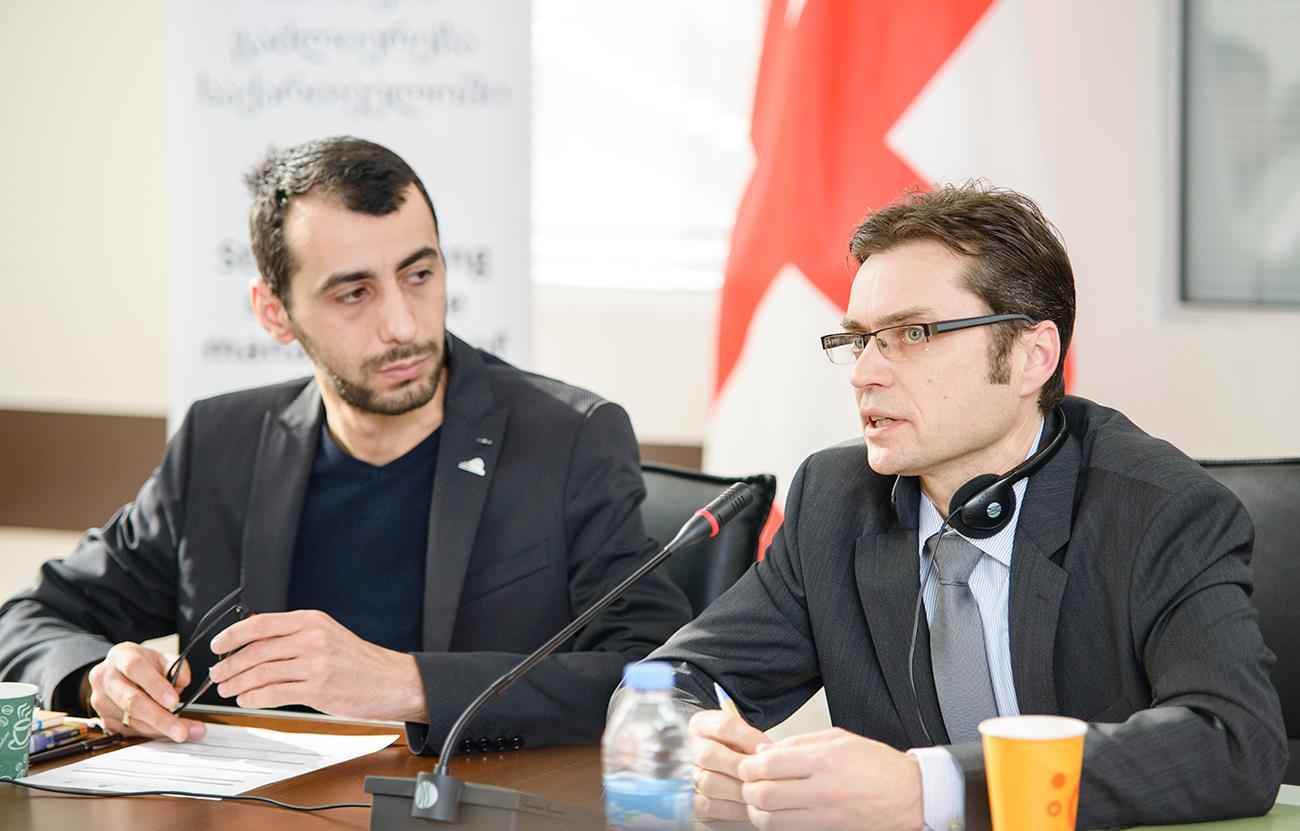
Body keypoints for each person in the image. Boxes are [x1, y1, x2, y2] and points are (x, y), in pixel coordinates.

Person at [622, 183, 1287, 830]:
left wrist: (930, 790)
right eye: (860, 340)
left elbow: (1235, 741)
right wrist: (698, 753)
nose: (865, 373)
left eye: (913, 333)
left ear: (1032, 357)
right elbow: (668, 681)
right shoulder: (835, 499)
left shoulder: (1160, 511)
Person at [0, 136, 691, 756]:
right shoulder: (220, 443)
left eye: (419, 275)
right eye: (354, 293)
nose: (403, 325)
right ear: (274, 312)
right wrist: (96, 679)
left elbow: (658, 670)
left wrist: (408, 683)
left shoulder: (569, 437)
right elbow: (30, 620)